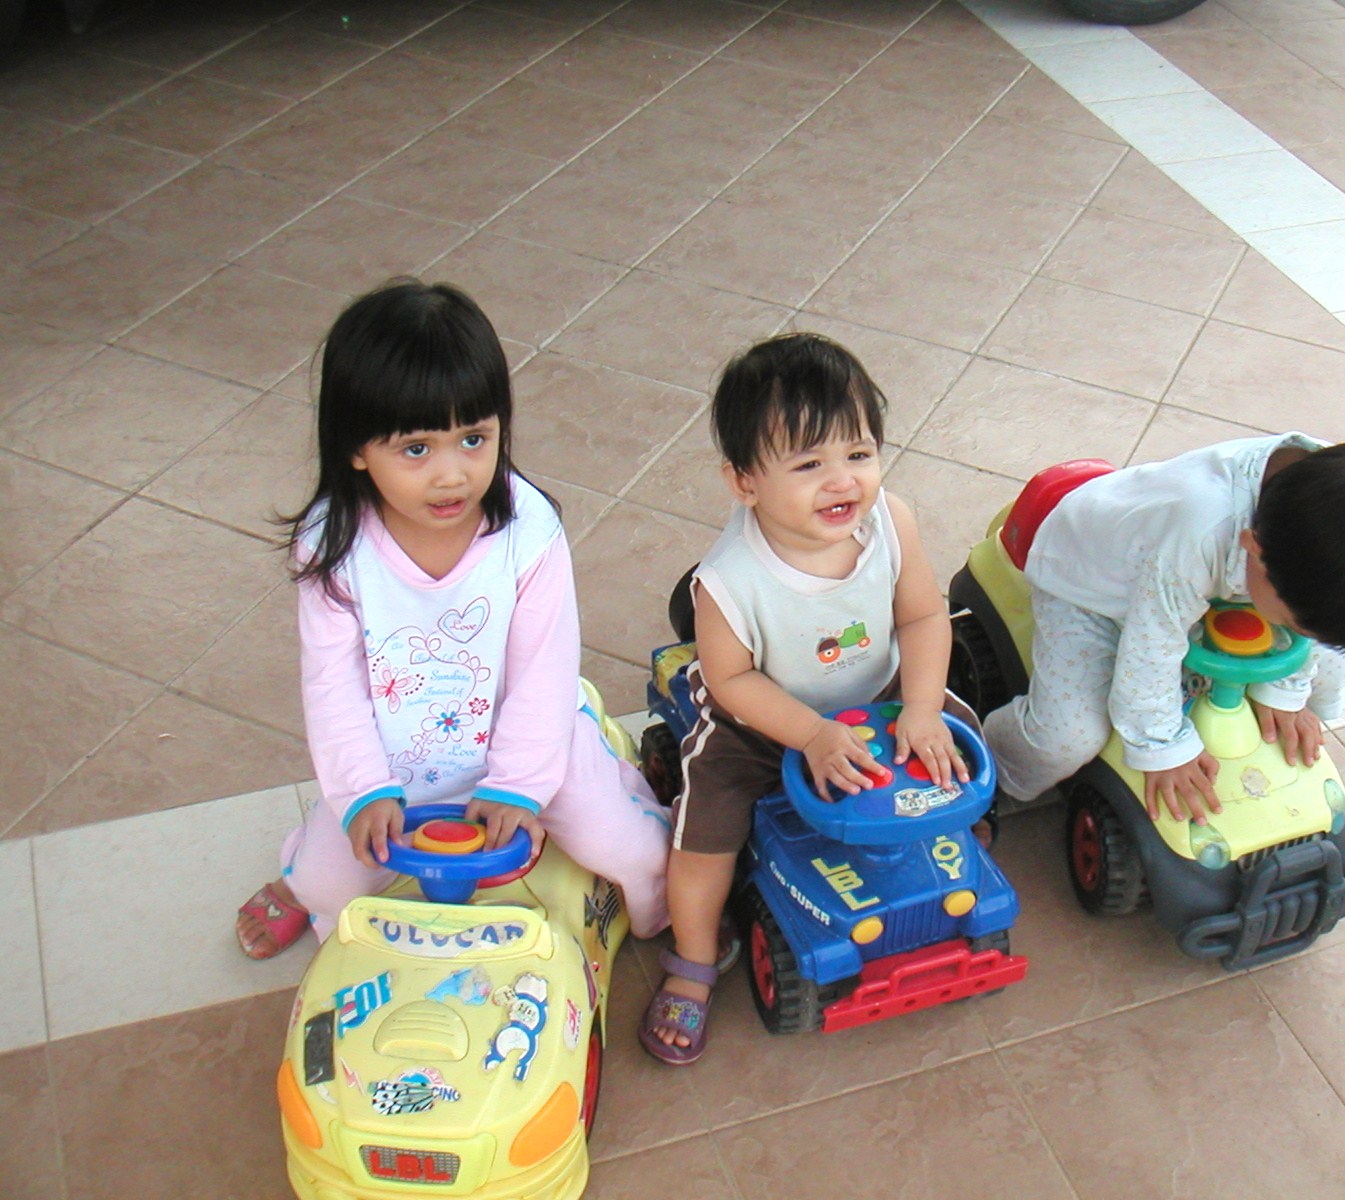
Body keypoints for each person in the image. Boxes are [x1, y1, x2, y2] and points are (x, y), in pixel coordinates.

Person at [235, 278, 671, 959]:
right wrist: (364, 791)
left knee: (631, 849)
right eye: (416, 449)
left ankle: (669, 876)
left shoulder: (529, 531)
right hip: (399, 763)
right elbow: (331, 685)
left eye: (474, 439)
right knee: (326, 880)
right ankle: (295, 881)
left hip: (531, 745)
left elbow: (545, 667)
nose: (452, 475)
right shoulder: (331, 548)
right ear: (356, 448)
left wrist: (520, 785)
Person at [640, 332, 977, 1065]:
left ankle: (957, 859)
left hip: (881, 693)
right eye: (809, 464)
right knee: (706, 827)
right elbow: (732, 682)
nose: (843, 482)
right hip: (760, 721)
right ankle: (694, 961)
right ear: (744, 482)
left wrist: (919, 709)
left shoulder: (893, 521)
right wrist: (810, 735)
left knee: (964, 737)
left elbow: (922, 616)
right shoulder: (728, 581)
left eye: (858, 455)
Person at [982, 434, 1345, 824]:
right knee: (1070, 736)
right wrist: (1162, 746)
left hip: (1196, 582)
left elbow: (1313, 616)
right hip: (1094, 582)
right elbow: (1150, 648)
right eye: (1295, 625)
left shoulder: (1333, 505)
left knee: (1329, 671)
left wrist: (1289, 688)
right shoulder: (1197, 534)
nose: (1304, 637)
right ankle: (988, 771)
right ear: (1254, 551)